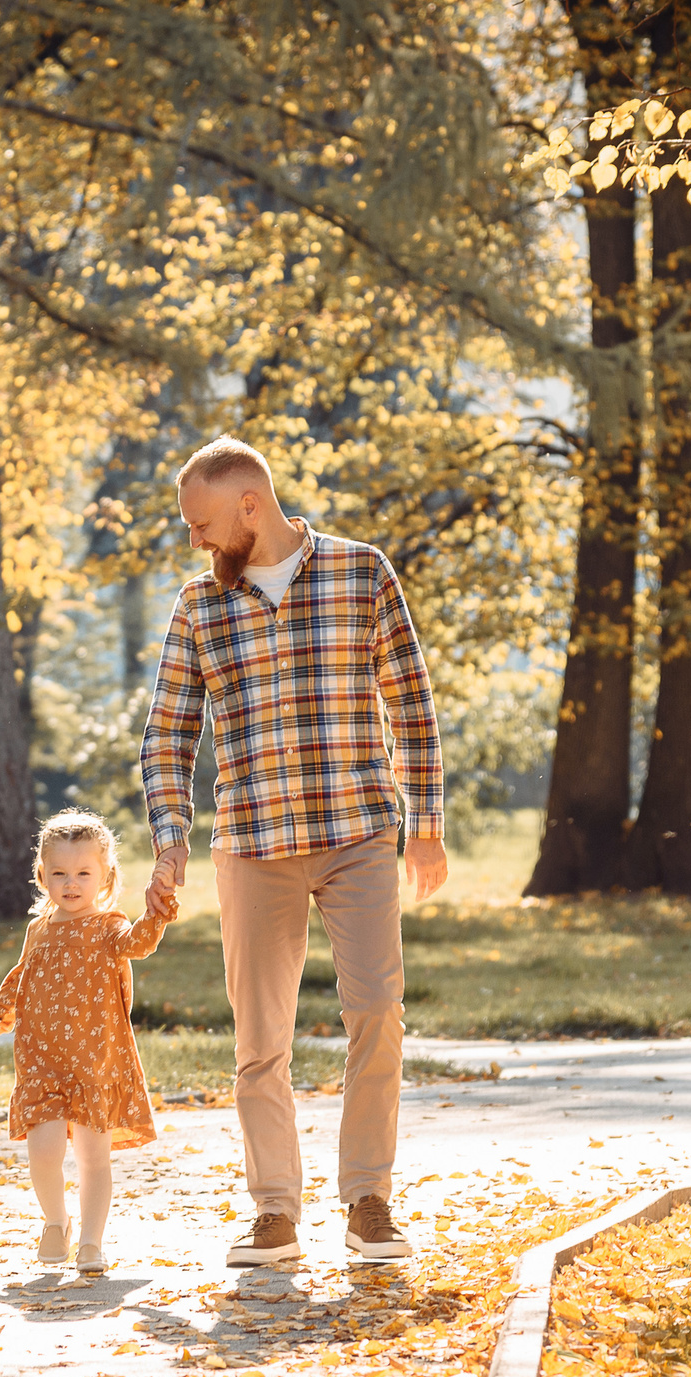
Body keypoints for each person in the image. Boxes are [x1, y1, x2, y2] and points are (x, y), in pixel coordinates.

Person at [139, 437, 447, 1268]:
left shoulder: (361, 571)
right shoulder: (198, 606)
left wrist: (427, 822)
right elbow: (167, 737)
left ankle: (368, 1199)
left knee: (376, 1010)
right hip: (254, 843)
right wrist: (169, 842)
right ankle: (274, 1209)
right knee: (260, 1038)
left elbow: (411, 702)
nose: (197, 542)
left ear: (250, 505)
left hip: (356, 833)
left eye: (203, 524)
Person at [0, 809, 176, 1274]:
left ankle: (91, 1240)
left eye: (84, 873)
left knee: (92, 1156)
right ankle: (55, 1222)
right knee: (43, 1150)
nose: (71, 883)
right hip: (41, 1059)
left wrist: (158, 910)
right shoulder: (38, 930)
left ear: (105, 874)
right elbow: (19, 982)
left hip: (94, 1062)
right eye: (60, 873)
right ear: (42, 875)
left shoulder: (109, 927)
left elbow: (139, 943)